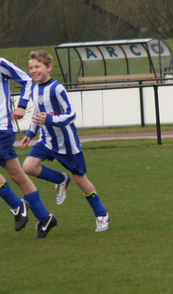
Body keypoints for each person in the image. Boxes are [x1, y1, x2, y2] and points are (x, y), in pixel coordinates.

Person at [21, 50, 109, 233]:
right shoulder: (34, 89)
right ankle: (61, 179)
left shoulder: (57, 88)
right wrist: (30, 132)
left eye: (37, 66)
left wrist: (50, 119)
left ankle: (101, 214)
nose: (34, 70)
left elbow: (71, 114)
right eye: (31, 67)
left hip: (67, 144)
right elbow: (37, 113)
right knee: (28, 166)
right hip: (47, 140)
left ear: (49, 67)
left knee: (81, 179)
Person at [0, 57, 57, 238]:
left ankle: (18, 207)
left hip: (2, 129)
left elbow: (26, 79)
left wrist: (22, 106)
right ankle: (45, 218)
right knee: (18, 176)